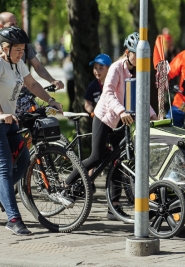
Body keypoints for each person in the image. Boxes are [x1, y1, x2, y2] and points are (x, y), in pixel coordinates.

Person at [0, 26, 64, 236]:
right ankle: (13, 219)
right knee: (5, 168)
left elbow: (32, 84)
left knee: (24, 160)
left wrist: (51, 100)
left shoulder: (18, 64)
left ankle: (0, 189)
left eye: (23, 49)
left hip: (10, 121)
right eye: (17, 49)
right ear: (5, 48)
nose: (21, 53)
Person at [65, 34, 156, 212]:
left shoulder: (139, 70)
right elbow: (108, 93)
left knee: (119, 162)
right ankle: (67, 183)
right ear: (127, 52)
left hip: (122, 121)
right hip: (105, 117)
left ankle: (113, 207)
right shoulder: (116, 67)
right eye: (137, 54)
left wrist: (154, 117)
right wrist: (121, 111)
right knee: (96, 157)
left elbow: (141, 97)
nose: (140, 59)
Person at [0, 12, 64, 116]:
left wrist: (52, 83)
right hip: (2, 100)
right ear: (1, 26)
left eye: (16, 24)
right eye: (12, 24)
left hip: (23, 93)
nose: (16, 27)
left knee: (39, 120)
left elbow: (36, 70)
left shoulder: (22, 46)